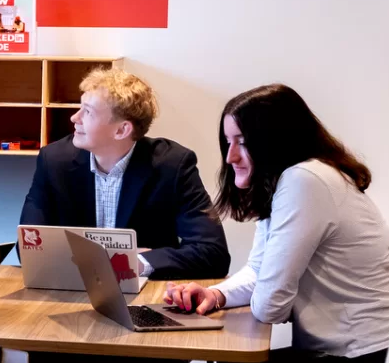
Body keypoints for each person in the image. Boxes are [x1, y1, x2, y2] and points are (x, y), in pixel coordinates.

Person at [165, 84, 389, 363]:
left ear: (274, 141)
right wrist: (215, 294)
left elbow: (270, 306)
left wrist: (260, 291)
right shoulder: (292, 180)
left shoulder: (304, 181)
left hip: (364, 352)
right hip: (347, 347)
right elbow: (259, 271)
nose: (230, 156)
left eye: (242, 142)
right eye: (228, 142)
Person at [19, 68, 230, 279]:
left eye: (88, 112)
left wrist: (136, 263)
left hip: (146, 295)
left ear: (121, 130)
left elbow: (214, 254)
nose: (75, 118)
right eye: (80, 108)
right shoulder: (54, 160)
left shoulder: (172, 166)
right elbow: (28, 246)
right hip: (71, 289)